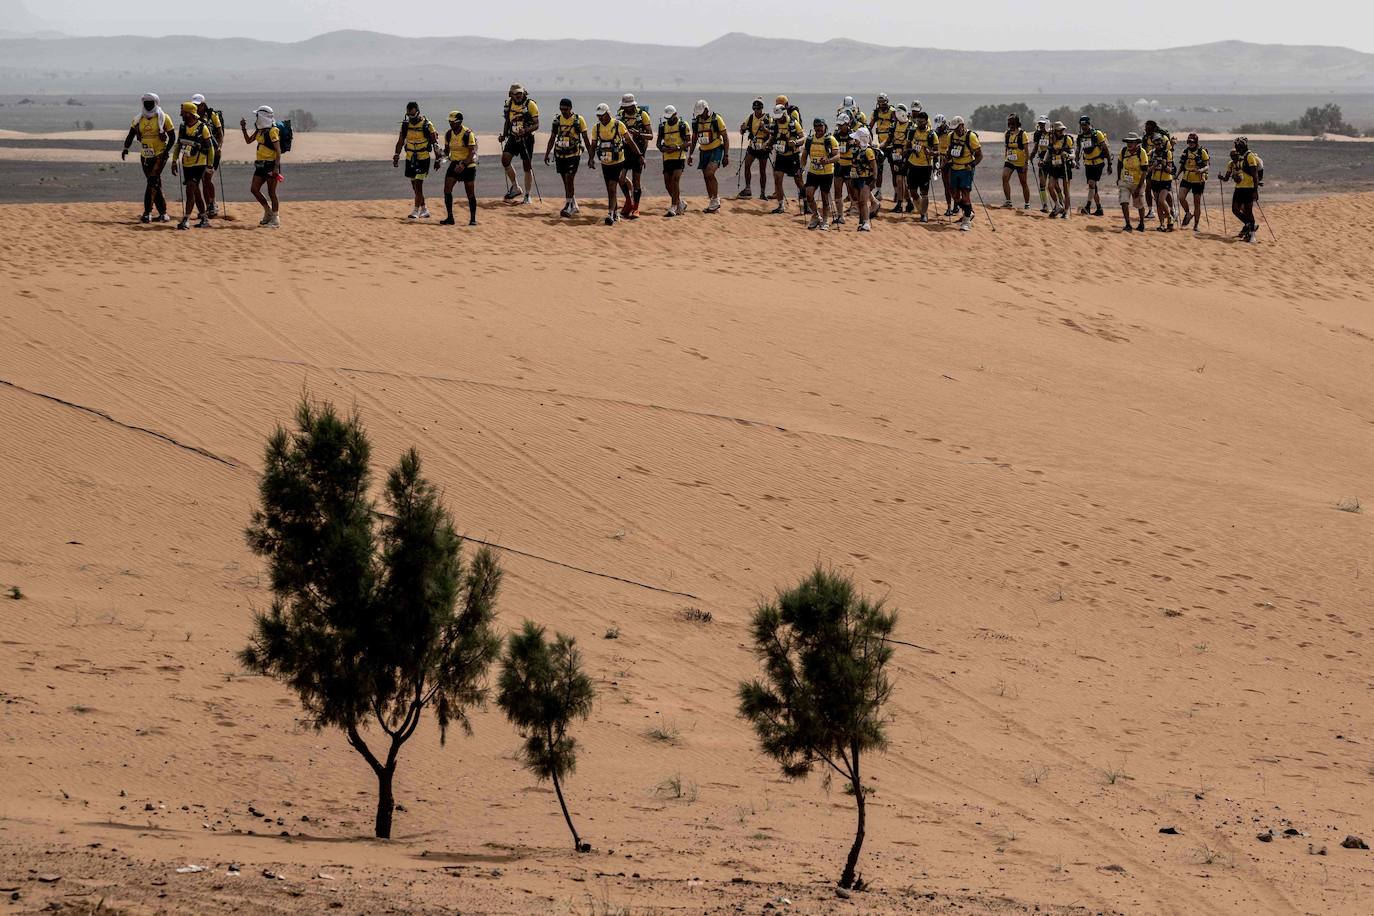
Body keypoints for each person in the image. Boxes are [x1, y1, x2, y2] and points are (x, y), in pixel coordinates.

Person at [121, 93, 176, 223]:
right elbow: (130, 135)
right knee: (155, 183)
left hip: (159, 155)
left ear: (156, 103)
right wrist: (125, 148)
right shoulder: (138, 119)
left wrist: (166, 151)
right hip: (145, 156)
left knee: (152, 181)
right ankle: (163, 213)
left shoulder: (164, 118)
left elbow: (172, 137)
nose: (148, 104)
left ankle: (147, 213)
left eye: (150, 102)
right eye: (145, 102)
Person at [589, 102, 639, 226]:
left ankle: (610, 214)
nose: (600, 118)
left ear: (608, 113)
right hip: (605, 163)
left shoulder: (618, 125)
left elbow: (630, 141)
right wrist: (591, 158)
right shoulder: (596, 127)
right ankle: (615, 212)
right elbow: (593, 144)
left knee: (612, 187)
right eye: (598, 116)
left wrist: (639, 155)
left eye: (602, 115)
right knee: (610, 189)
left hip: (618, 161)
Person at [170, 101, 216, 230]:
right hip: (186, 164)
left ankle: (186, 219)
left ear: (189, 114)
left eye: (183, 112)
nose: (180, 114)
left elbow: (210, 148)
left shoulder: (203, 128)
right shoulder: (183, 127)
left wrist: (210, 166)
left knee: (190, 189)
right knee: (195, 192)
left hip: (199, 164)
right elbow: (178, 145)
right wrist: (174, 161)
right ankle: (204, 218)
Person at [545, 99, 591, 218]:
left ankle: (568, 205)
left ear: (570, 108)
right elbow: (552, 137)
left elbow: (585, 138)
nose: (563, 111)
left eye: (565, 109)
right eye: (561, 109)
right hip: (560, 155)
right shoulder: (557, 120)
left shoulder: (579, 120)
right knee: (566, 181)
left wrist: (591, 156)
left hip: (574, 154)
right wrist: (547, 153)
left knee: (569, 178)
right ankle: (574, 205)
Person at [392, 102, 438, 219]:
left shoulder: (427, 125)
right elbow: (401, 141)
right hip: (410, 158)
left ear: (418, 112)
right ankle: (424, 209)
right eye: (409, 116)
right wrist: (396, 155)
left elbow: (435, 144)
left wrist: (438, 159)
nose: (411, 118)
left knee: (418, 185)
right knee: (414, 186)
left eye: (413, 115)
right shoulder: (405, 125)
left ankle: (415, 211)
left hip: (423, 158)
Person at [240, 106, 282, 228]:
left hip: (271, 165)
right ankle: (268, 211)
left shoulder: (272, 131)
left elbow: (278, 151)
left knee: (271, 192)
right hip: (260, 166)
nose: (256, 118)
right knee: (254, 189)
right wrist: (243, 128)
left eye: (258, 116)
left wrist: (276, 168)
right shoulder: (260, 130)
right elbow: (248, 140)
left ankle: (275, 218)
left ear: (262, 117)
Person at [500, 84, 540, 203]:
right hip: (513, 137)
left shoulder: (530, 105)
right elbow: (507, 121)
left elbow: (536, 124)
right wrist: (504, 135)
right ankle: (515, 187)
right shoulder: (508, 104)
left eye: (520, 93)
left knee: (527, 166)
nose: (518, 95)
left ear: (523, 93)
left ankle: (527, 195)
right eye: (515, 93)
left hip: (527, 139)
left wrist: (526, 130)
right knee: (505, 160)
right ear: (511, 94)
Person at [688, 100, 729, 213]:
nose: (700, 115)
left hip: (716, 149)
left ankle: (715, 200)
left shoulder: (717, 120)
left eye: (702, 113)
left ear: (706, 109)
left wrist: (726, 155)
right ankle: (713, 203)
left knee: (709, 173)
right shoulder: (696, 121)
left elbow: (725, 138)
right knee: (706, 177)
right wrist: (690, 154)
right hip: (703, 151)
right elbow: (694, 138)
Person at [801, 117, 840, 231]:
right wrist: (802, 167)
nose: (818, 129)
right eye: (816, 127)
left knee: (825, 198)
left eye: (820, 126)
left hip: (826, 173)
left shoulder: (830, 139)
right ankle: (816, 216)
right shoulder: (809, 140)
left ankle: (826, 220)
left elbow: (837, 156)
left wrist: (827, 160)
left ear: (824, 127)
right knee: (809, 195)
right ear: (814, 128)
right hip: (813, 172)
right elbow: (804, 155)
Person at [617, 93, 653, 216]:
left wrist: (639, 134)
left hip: (638, 152)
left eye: (629, 106)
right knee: (621, 179)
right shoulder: (620, 116)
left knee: (636, 180)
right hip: (624, 152)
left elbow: (651, 135)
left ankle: (635, 208)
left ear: (633, 105)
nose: (627, 109)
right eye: (625, 107)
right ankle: (628, 202)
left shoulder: (642, 115)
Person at [441, 111, 479, 226]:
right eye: (449, 121)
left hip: (468, 165)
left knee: (470, 193)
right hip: (454, 164)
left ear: (459, 122)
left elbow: (472, 152)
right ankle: (450, 218)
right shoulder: (448, 134)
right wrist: (440, 157)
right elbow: (447, 151)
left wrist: (463, 165)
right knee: (447, 189)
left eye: (453, 122)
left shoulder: (467, 134)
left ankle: (473, 219)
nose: (451, 124)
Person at [1221, 136, 1262, 243]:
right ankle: (1248, 224)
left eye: (1237, 145)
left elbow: (1255, 176)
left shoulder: (1249, 156)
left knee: (1248, 211)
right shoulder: (1241, 157)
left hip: (1248, 188)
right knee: (1235, 209)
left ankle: (1252, 235)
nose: (1235, 147)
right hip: (1239, 188)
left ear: (1241, 146)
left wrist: (1255, 191)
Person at [944, 115, 982, 231]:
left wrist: (972, 165)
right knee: (954, 194)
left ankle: (966, 221)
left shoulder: (971, 137)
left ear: (962, 125)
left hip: (966, 169)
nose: (955, 130)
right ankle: (968, 211)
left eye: (957, 128)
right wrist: (945, 161)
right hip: (954, 168)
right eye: (953, 129)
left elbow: (979, 155)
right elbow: (949, 152)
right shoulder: (950, 136)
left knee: (965, 195)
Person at [767, 103, 806, 214]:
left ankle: (806, 203)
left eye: (780, 117)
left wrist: (796, 142)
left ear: (784, 114)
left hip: (793, 156)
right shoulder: (775, 124)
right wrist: (768, 144)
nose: (778, 120)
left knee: (798, 180)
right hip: (780, 156)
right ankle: (780, 205)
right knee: (777, 179)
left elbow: (803, 138)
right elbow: (772, 138)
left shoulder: (793, 123)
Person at [190, 94, 224, 217]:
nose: (196, 107)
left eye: (198, 105)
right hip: (200, 152)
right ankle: (207, 206)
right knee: (202, 179)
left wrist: (219, 146)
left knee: (207, 179)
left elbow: (220, 133)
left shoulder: (212, 115)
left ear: (203, 105)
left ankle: (213, 203)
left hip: (213, 151)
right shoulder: (192, 116)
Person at [903, 109, 938, 223]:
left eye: (922, 122)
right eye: (918, 121)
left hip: (925, 166)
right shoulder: (912, 132)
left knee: (924, 193)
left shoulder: (932, 134)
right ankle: (920, 209)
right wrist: (910, 150)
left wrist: (931, 153)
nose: (919, 123)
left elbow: (937, 152)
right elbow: (906, 147)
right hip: (913, 165)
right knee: (912, 191)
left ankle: (924, 214)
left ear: (926, 122)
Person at [657, 105, 691, 217]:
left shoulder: (683, 125)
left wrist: (677, 148)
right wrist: (663, 148)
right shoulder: (662, 126)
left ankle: (673, 206)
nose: (668, 120)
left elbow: (688, 142)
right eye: (667, 118)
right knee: (668, 184)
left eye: (670, 117)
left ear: (675, 114)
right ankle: (680, 203)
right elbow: (658, 143)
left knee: (675, 180)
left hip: (679, 157)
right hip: (667, 158)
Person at [1142, 120, 1175, 225]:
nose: (1157, 144)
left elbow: (1170, 156)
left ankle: (1171, 213)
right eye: (1155, 142)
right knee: (1154, 197)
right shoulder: (1148, 145)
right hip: (1154, 177)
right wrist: (1153, 165)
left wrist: (1164, 164)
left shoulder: (1166, 147)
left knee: (1162, 199)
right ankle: (1160, 221)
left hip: (1165, 178)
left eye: (1158, 142)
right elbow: (1147, 165)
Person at [1076, 115, 1110, 216]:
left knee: (1092, 183)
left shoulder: (1097, 134)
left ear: (1089, 124)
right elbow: (1078, 149)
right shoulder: (1081, 136)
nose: (1083, 127)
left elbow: (1105, 149)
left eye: (1085, 125)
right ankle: (1099, 208)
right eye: (1082, 125)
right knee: (1093, 186)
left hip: (1098, 163)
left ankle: (1087, 206)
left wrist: (1109, 164)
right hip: (1088, 164)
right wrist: (1077, 161)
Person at [1176, 132, 1210, 232]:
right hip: (1186, 178)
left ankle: (1196, 225)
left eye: (1192, 142)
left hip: (1198, 180)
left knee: (1197, 203)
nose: (1190, 143)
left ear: (1196, 142)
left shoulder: (1202, 152)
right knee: (1181, 197)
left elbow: (1207, 165)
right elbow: (1182, 165)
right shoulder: (1185, 151)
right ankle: (1188, 213)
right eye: (1189, 141)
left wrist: (1201, 170)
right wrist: (1177, 175)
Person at [739, 98, 772, 199]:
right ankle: (748, 188)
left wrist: (764, 128)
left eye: (758, 109)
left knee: (762, 170)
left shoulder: (768, 118)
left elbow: (772, 133)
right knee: (747, 165)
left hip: (763, 146)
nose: (756, 111)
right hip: (753, 145)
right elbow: (742, 130)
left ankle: (762, 193)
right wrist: (743, 129)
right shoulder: (750, 117)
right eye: (755, 109)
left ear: (761, 109)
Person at [1116, 132, 1149, 233]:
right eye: (1128, 142)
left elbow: (1144, 171)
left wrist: (1139, 187)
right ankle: (1127, 224)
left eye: (1131, 142)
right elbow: (1119, 165)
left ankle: (1142, 223)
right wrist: (1118, 179)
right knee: (1124, 202)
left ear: (1136, 143)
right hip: (1125, 181)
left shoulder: (1142, 153)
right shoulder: (1123, 151)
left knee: (1139, 203)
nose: (1129, 144)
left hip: (1138, 182)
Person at [869, 93, 898, 205]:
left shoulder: (893, 112)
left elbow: (897, 126)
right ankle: (879, 191)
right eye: (880, 103)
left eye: (884, 103)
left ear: (887, 102)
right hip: (881, 145)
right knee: (879, 169)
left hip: (892, 145)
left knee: (894, 169)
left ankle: (896, 192)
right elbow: (870, 126)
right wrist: (871, 140)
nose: (882, 105)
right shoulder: (876, 113)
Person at [848, 127, 877, 231]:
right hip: (857, 178)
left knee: (863, 201)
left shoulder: (868, 151)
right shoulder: (858, 150)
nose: (854, 140)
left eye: (856, 139)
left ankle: (866, 223)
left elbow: (874, 166)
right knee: (859, 201)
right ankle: (862, 220)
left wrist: (874, 180)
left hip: (866, 179)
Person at [1044, 121, 1074, 219]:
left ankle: (1066, 211)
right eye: (1059, 130)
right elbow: (1048, 151)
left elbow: (1073, 154)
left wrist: (1068, 155)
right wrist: (1044, 161)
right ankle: (1057, 205)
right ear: (1055, 131)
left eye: (1062, 130)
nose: (1061, 132)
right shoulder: (1052, 139)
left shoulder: (1067, 139)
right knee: (1050, 186)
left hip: (1065, 166)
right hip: (1054, 166)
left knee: (1066, 190)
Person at [1001, 113, 1031, 209]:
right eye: (1009, 124)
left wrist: (1026, 163)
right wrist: (1006, 158)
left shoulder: (1023, 134)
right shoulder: (1007, 134)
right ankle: (1008, 201)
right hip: (1009, 160)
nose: (1010, 126)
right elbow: (1006, 147)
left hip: (1021, 162)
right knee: (1004, 177)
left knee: (1023, 182)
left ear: (1017, 124)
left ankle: (1027, 204)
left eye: (1012, 124)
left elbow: (1026, 150)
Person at [832, 112, 855, 223]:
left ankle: (857, 210)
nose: (840, 127)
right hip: (838, 166)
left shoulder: (853, 135)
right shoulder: (835, 135)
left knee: (852, 191)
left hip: (850, 166)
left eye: (842, 125)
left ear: (847, 123)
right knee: (837, 190)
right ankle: (840, 216)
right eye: (839, 125)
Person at [888, 104, 911, 212]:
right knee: (900, 180)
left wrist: (904, 151)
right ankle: (909, 202)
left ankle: (900, 204)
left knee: (901, 179)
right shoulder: (893, 125)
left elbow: (911, 142)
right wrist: (878, 146)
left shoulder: (911, 126)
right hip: (895, 154)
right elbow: (889, 140)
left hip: (905, 155)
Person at [1031, 116, 1053, 212]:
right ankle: (1045, 205)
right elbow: (1036, 147)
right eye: (1040, 124)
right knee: (1042, 182)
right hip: (1041, 161)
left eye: (1042, 124)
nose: (1041, 126)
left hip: (1052, 161)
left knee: (1053, 185)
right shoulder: (1038, 134)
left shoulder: (1052, 134)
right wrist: (1031, 156)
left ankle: (1060, 204)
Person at [933, 114, 954, 216]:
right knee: (946, 185)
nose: (940, 126)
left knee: (951, 184)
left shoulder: (950, 131)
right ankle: (949, 207)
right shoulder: (937, 131)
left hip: (951, 159)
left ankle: (956, 205)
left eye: (941, 124)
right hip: (941, 158)